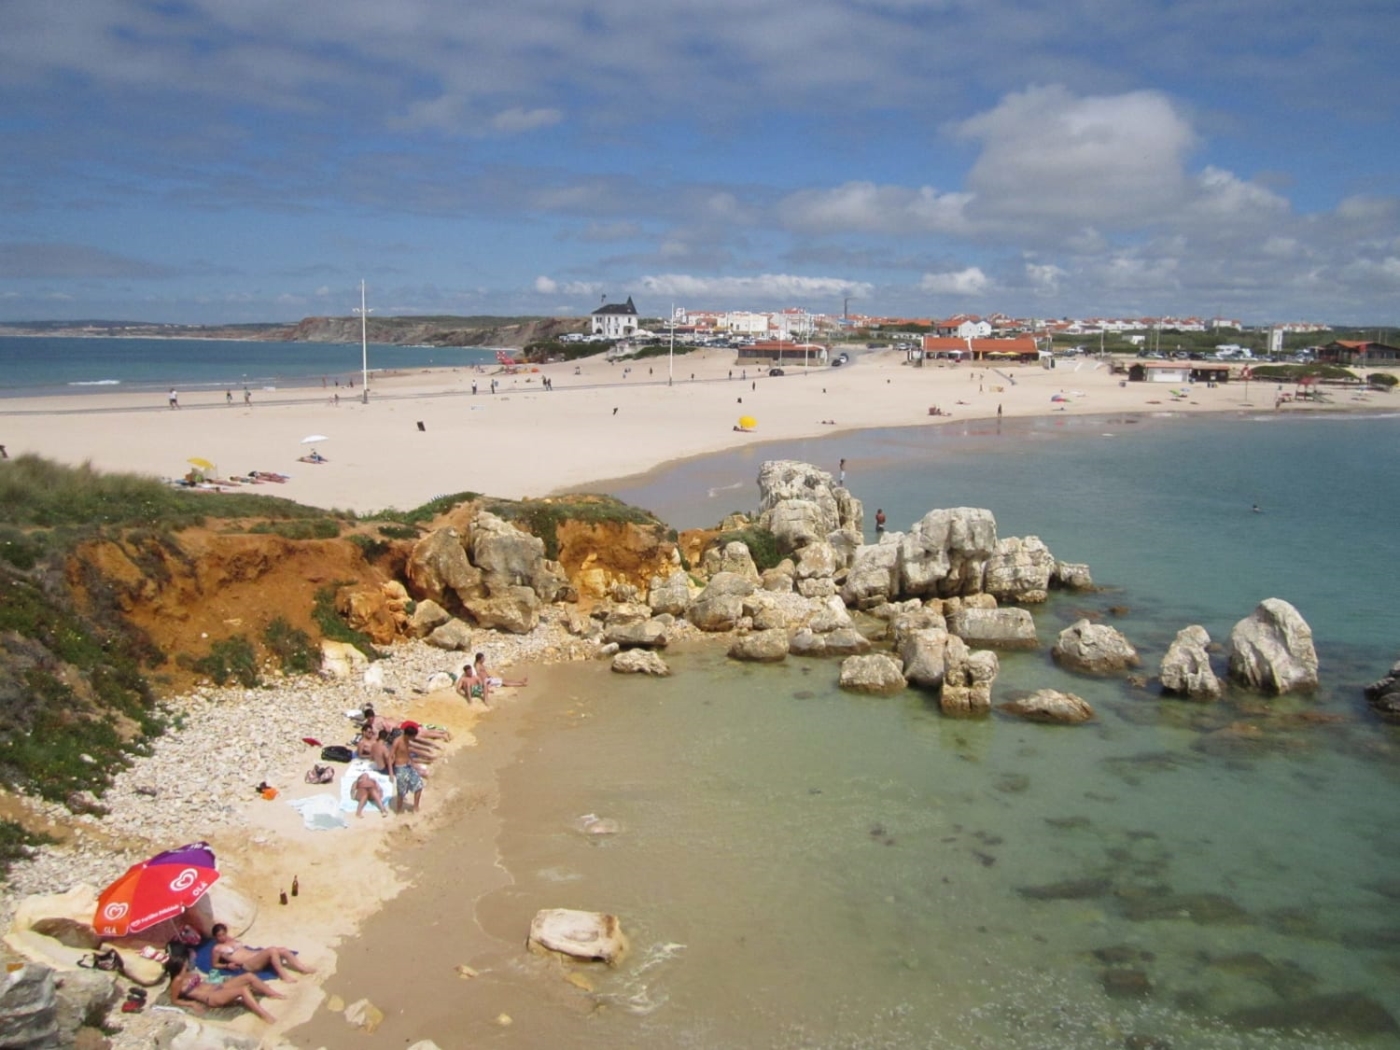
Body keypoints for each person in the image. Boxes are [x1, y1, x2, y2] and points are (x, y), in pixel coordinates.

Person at [165, 956, 283, 1023]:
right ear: (179, 967)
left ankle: (273, 994)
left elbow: (203, 980)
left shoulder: (188, 973)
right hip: (211, 997)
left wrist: (215, 978)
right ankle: (264, 1015)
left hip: (217, 986)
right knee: (242, 990)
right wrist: (191, 1003)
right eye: (184, 964)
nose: (186, 964)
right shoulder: (177, 982)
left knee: (249, 976)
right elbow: (174, 1000)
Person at [210, 923, 315, 982]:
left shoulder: (230, 939)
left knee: (283, 950)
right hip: (248, 964)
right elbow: (214, 965)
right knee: (272, 950)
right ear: (215, 937)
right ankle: (284, 976)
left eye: (223, 934)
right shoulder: (217, 949)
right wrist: (227, 965)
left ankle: (303, 968)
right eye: (219, 935)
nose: (222, 937)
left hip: (255, 956)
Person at [392, 726, 425, 813]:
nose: (414, 738)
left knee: (419, 785)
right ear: (407, 735)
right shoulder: (397, 742)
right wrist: (391, 772)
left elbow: (407, 752)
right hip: (400, 768)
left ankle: (416, 807)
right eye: (413, 736)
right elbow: (390, 757)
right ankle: (399, 811)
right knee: (401, 792)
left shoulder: (407, 741)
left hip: (408, 766)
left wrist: (413, 763)